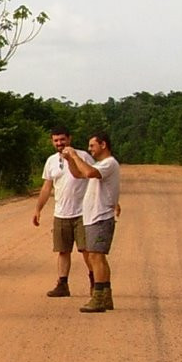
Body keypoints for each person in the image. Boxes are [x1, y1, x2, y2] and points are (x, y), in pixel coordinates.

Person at [61, 131, 121, 313]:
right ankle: (105, 296)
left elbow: (89, 171)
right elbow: (79, 174)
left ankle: (99, 297)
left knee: (96, 257)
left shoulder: (109, 163)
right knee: (96, 257)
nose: (90, 149)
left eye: (92, 145)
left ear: (103, 145)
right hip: (94, 216)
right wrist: (71, 160)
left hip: (101, 216)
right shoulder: (102, 164)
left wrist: (74, 155)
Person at [32, 126, 94, 298]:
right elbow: (47, 187)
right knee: (63, 250)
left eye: (62, 139)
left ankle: (95, 282)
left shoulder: (83, 156)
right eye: (56, 140)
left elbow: (95, 177)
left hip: (83, 212)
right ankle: (62, 284)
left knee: (86, 250)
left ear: (69, 139)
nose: (59, 143)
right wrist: (38, 209)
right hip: (61, 212)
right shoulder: (51, 161)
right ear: (52, 141)